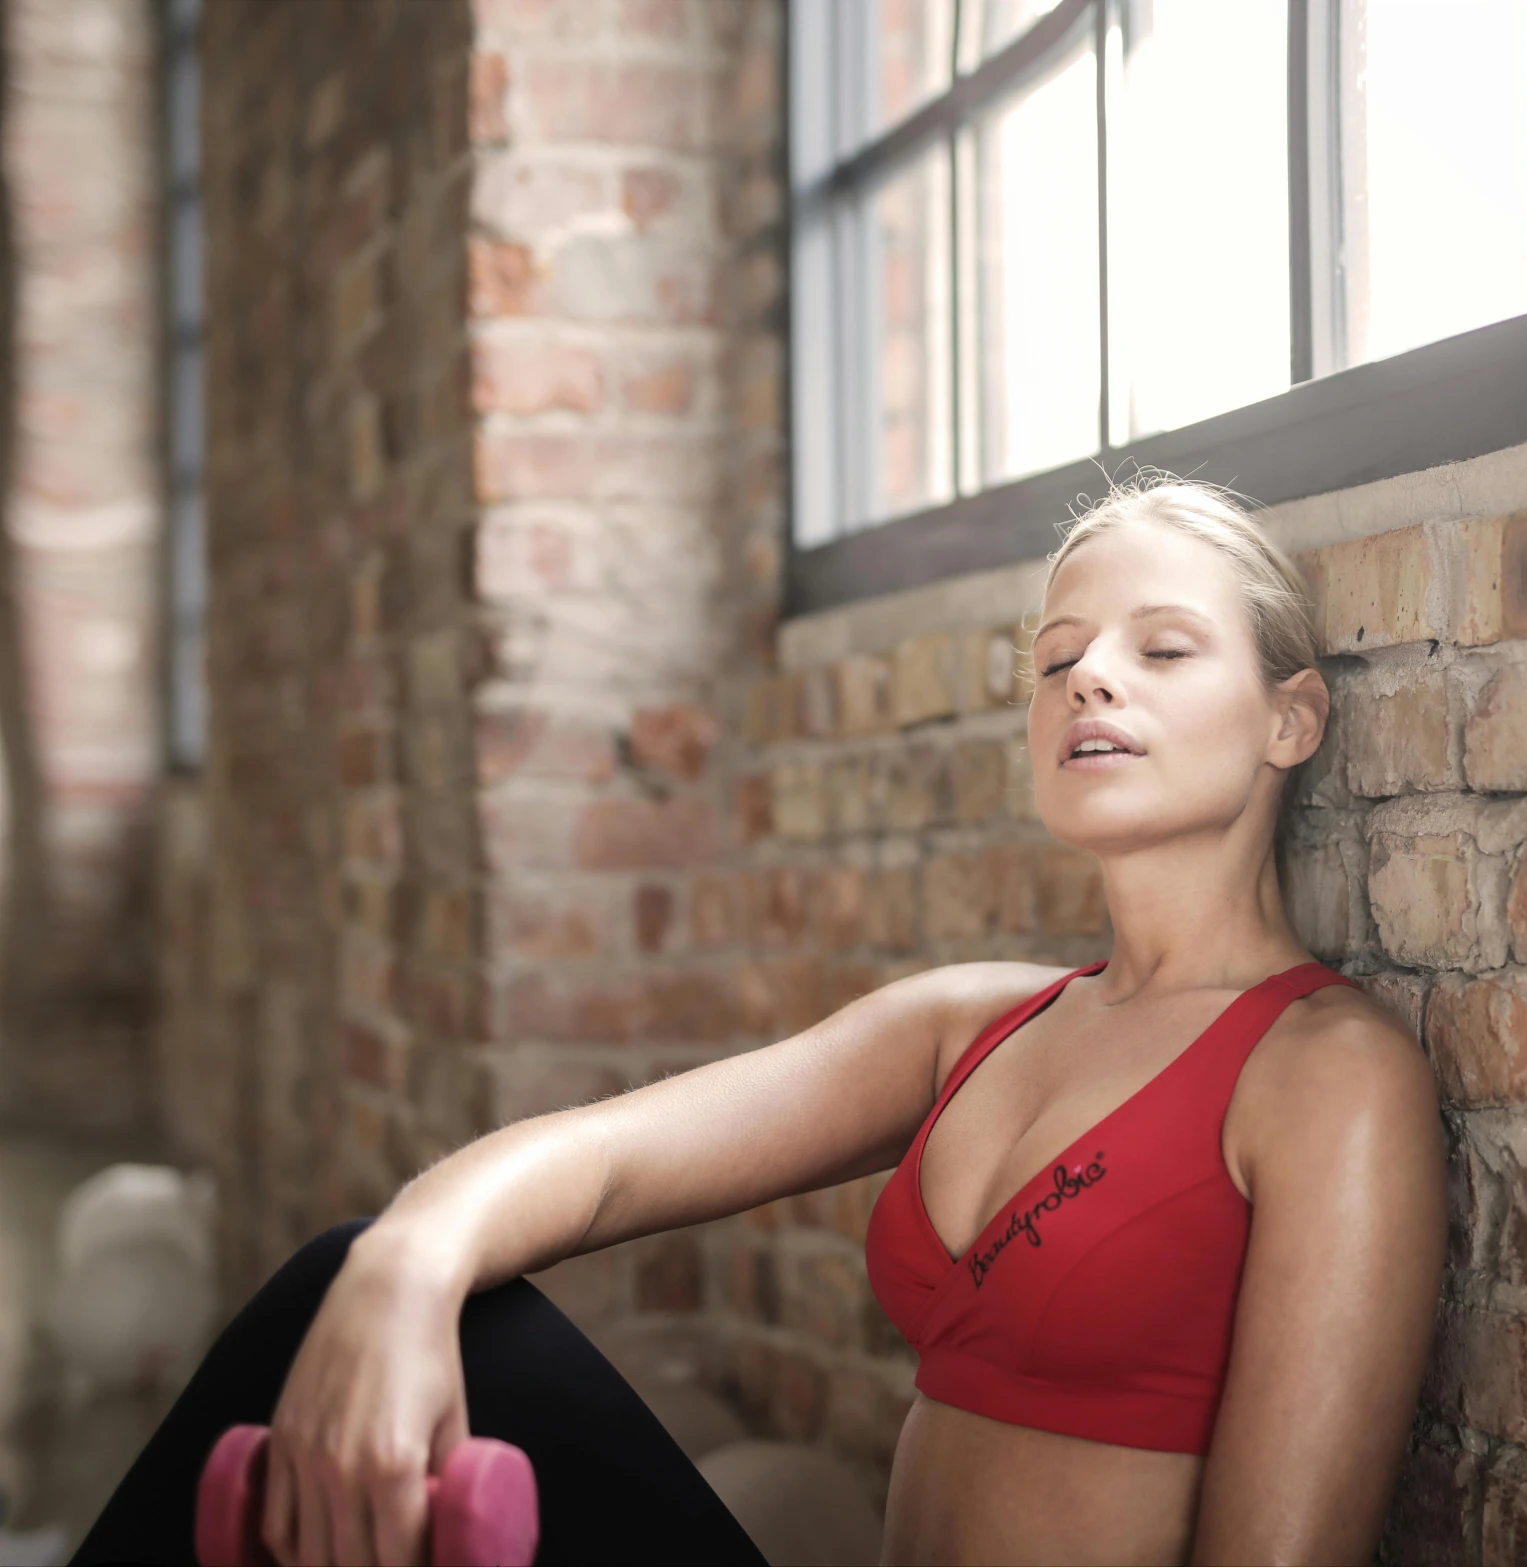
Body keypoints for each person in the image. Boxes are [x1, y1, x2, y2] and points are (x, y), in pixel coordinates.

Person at [76, 476, 1447, 1566]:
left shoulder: (1325, 1073)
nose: (1089, 678)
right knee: (352, 1280)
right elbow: (613, 1160)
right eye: (1055, 658)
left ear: (1289, 718)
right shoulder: (964, 1025)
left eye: (1160, 647)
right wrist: (409, 1260)